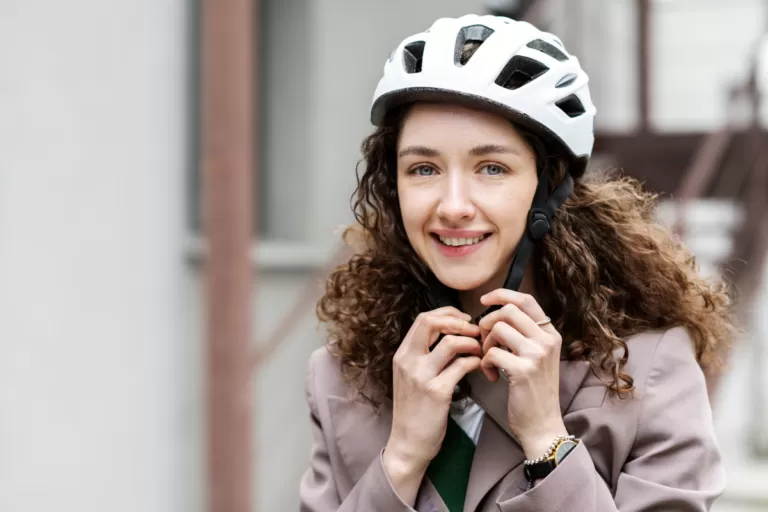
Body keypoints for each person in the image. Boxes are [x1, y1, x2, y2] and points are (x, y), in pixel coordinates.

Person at [299, 13, 734, 512]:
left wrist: (548, 441)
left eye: (492, 168)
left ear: (547, 186)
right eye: (423, 168)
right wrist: (400, 458)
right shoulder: (339, 376)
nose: (454, 205)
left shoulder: (649, 368)